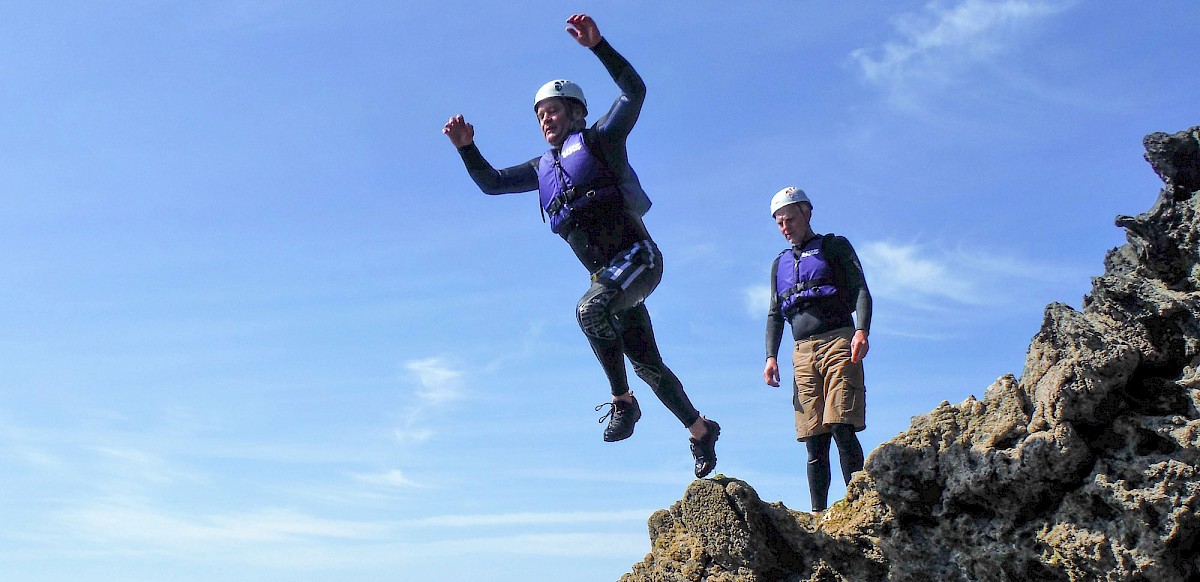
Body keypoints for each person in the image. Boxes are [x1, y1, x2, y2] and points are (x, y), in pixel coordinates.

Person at [441, 14, 719, 478]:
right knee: (648, 363)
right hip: (606, 277)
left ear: (576, 111)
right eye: (539, 113)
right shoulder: (541, 168)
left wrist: (599, 46)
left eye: (553, 109)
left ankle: (622, 401)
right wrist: (467, 148)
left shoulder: (600, 141)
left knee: (590, 312)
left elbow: (635, 92)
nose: (545, 117)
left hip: (638, 259)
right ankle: (700, 429)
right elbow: (490, 183)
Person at [762, 186, 872, 513]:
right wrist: (771, 356)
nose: (785, 227)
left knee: (841, 423)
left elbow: (861, 290)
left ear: (807, 213)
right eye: (779, 222)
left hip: (839, 339)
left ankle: (860, 504)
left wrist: (862, 331)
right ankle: (818, 514)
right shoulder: (779, 264)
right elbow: (774, 312)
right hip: (802, 352)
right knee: (814, 436)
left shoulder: (834, 246)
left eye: (790, 219)